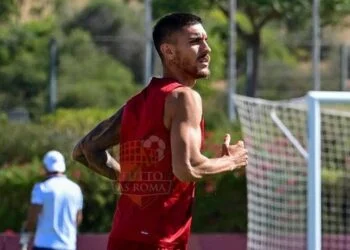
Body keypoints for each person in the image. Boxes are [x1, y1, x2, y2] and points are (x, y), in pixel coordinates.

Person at [72, 12, 248, 250]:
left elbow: (84, 150)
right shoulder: (184, 97)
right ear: (169, 51)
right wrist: (233, 161)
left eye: (205, 40)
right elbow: (188, 167)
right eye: (195, 41)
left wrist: (130, 179)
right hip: (159, 241)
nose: (207, 49)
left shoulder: (137, 104)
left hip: (123, 237)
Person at [20, 150, 84, 250]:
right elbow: (78, 219)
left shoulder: (41, 188)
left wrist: (24, 238)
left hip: (44, 245)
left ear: (45, 168)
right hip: (68, 246)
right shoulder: (76, 189)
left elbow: (32, 219)